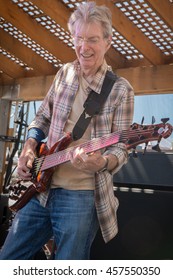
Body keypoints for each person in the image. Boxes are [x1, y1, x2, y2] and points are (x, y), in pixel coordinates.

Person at [0, 1, 134, 260]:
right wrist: (29, 146)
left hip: (81, 197)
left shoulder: (121, 90)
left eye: (93, 39)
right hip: (40, 190)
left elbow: (122, 146)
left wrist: (103, 161)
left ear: (108, 42)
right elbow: (42, 117)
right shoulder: (64, 74)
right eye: (79, 38)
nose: (84, 47)